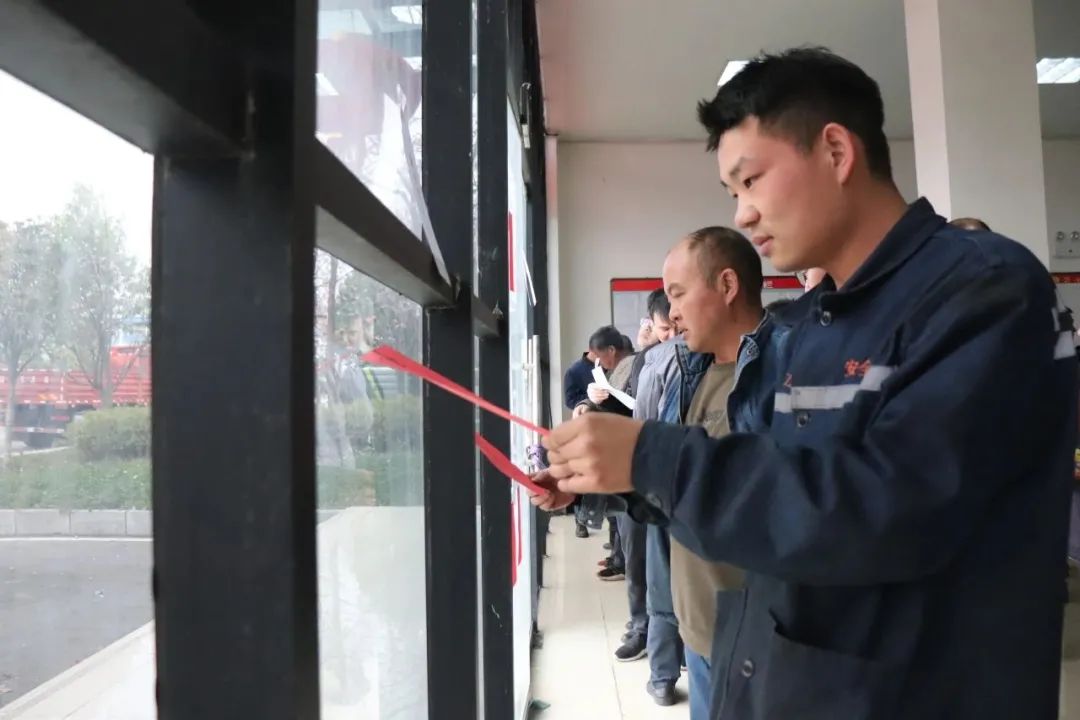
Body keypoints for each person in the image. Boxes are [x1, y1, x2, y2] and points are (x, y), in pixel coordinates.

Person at [535, 47, 1077, 719]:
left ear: (836, 152)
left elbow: (891, 509)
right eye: (733, 194)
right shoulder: (809, 325)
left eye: (751, 180)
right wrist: (621, 478)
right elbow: (773, 491)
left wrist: (653, 458)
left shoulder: (983, 291)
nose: (742, 214)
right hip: (795, 677)